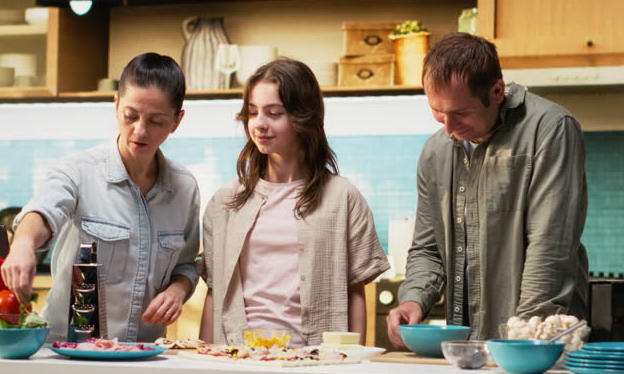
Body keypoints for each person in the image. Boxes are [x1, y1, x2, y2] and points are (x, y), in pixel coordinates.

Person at [386, 33, 589, 344]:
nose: (448, 128)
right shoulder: (436, 151)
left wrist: (525, 335)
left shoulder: (550, 129)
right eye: (437, 112)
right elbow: (428, 248)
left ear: (497, 91)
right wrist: (414, 299)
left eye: (460, 113)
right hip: (470, 345)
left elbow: (550, 246)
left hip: (538, 341)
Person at [1, 52, 200, 342]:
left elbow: (185, 264)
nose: (140, 131)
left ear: (177, 121)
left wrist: (178, 290)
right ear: (116, 105)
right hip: (68, 351)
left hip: (143, 354)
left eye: (156, 121)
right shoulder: (79, 170)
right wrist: (23, 243)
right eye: (130, 116)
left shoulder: (184, 188)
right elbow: (43, 211)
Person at [199, 58, 389, 347]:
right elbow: (216, 293)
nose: (259, 124)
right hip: (236, 359)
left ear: (304, 118)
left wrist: (352, 363)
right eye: (253, 113)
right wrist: (205, 362)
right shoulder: (224, 202)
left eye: (274, 113)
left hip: (314, 361)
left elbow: (355, 292)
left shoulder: (343, 198)